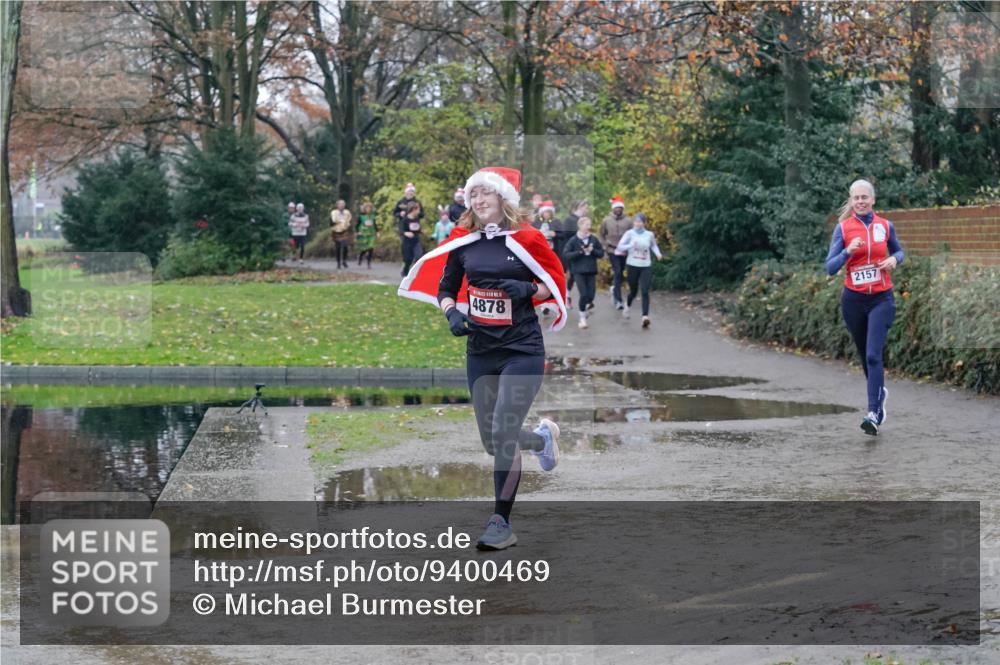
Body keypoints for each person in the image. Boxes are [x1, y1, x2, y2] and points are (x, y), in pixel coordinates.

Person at [398, 166, 567, 550]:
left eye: (486, 194)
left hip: (521, 349)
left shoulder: (527, 238)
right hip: (481, 351)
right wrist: (451, 313)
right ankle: (541, 441)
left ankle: (500, 523)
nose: (478, 201)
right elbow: (446, 286)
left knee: (504, 432)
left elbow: (553, 284)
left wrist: (526, 288)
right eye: (473, 195)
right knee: (494, 441)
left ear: (503, 198)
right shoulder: (465, 242)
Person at [825, 179, 904, 436]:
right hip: (853, 301)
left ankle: (873, 413)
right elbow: (830, 267)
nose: (860, 202)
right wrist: (848, 251)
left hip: (882, 298)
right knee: (863, 355)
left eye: (864, 197)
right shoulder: (843, 228)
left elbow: (900, 252)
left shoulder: (885, 226)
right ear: (851, 201)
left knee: (873, 355)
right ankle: (879, 395)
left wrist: (893, 259)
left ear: (873, 200)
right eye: (856, 198)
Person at [616, 213, 663, 329]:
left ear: (644, 223)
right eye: (636, 222)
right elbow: (619, 246)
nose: (638, 224)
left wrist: (658, 254)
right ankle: (627, 305)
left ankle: (645, 317)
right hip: (632, 264)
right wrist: (630, 245)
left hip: (646, 265)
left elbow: (653, 246)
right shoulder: (629, 233)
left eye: (640, 222)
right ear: (633, 223)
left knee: (645, 290)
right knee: (633, 290)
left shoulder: (649, 234)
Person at [562, 216, 605, 329]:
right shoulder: (574, 240)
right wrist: (580, 252)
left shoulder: (593, 239)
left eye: (589, 225)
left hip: (591, 270)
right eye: (586, 225)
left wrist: (592, 250)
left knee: (591, 296)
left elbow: (601, 253)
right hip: (578, 271)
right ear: (580, 226)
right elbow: (566, 255)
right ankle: (582, 319)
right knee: (584, 294)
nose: (588, 227)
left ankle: (585, 309)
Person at [599, 195, 633, 310]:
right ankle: (618, 300)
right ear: (613, 208)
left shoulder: (628, 221)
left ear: (622, 209)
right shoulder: (606, 220)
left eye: (620, 208)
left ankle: (614, 289)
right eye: (616, 208)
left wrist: (630, 246)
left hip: (624, 250)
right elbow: (601, 234)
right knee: (617, 272)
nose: (618, 210)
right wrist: (604, 246)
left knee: (621, 273)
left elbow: (633, 235)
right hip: (612, 250)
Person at [561, 200, 589, 309]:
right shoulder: (569, 219)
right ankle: (567, 296)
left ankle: (584, 299)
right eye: (586, 207)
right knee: (572, 275)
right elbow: (565, 234)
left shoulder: (584, 220)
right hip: (572, 252)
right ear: (580, 207)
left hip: (583, 252)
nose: (587, 210)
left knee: (577, 275)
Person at [399, 201, 424, 276]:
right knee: (408, 259)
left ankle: (416, 274)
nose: (419, 212)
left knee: (419, 257)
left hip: (416, 242)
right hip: (407, 243)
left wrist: (421, 231)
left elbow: (416, 228)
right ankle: (405, 272)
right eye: (418, 210)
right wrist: (405, 233)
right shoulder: (405, 220)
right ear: (413, 210)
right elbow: (401, 230)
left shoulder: (416, 219)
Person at [330, 199, 353, 269]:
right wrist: (339, 222)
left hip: (344, 230)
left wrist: (347, 225)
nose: (342, 206)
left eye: (343, 204)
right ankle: (338, 262)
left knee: (345, 246)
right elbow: (332, 221)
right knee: (338, 247)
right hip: (336, 231)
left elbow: (349, 220)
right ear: (337, 205)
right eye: (340, 204)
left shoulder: (347, 212)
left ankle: (344, 260)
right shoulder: (334, 212)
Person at [355, 201, 377, 269]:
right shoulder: (361, 216)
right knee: (364, 249)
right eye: (367, 208)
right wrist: (357, 232)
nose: (369, 209)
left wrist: (377, 232)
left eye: (370, 208)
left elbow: (375, 225)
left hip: (371, 234)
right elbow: (357, 225)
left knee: (371, 248)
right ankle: (360, 257)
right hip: (363, 234)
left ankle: (369, 263)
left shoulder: (373, 216)